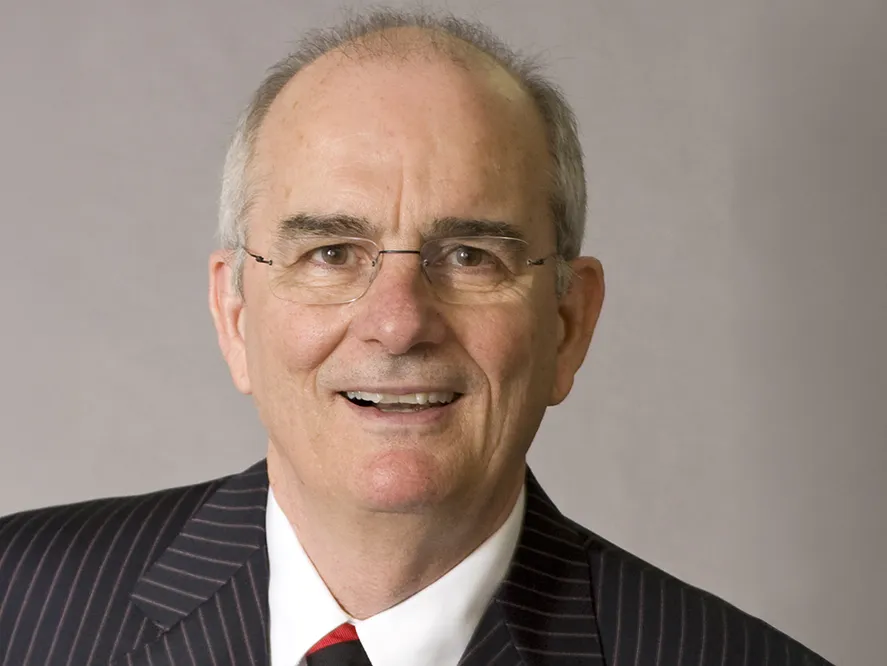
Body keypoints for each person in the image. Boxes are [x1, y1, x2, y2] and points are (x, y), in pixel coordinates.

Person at [0, 9, 832, 666]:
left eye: (469, 255)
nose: (397, 321)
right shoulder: (18, 608)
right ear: (236, 313)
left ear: (568, 322)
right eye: (330, 252)